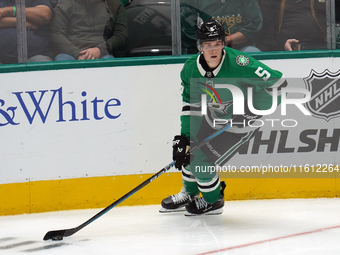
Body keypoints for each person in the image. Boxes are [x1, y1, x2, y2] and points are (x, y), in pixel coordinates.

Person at [160, 19, 287, 216]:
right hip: (211, 119)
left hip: (238, 126)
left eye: (217, 43)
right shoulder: (190, 68)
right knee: (189, 151)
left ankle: (213, 200)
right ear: (200, 47)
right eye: (208, 45)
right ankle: (190, 193)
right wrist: (186, 137)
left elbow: (280, 84)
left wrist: (251, 110)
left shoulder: (240, 63)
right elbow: (190, 106)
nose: (213, 50)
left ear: (223, 44)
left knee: (201, 163)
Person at [50, 0, 128, 61]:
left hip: (103, 53)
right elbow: (56, 34)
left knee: (110, 66)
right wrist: (76, 53)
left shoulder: (114, 5)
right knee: (63, 64)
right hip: (70, 53)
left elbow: (121, 36)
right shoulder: (65, 4)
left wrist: (100, 50)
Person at [180, 0, 263, 54]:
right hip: (205, 51)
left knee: (253, 52)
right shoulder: (192, 2)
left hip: (240, 50)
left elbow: (254, 27)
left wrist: (223, 41)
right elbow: (187, 31)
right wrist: (210, 44)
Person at [257, 0, 327, 51]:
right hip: (283, 51)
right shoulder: (269, 2)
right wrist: (283, 43)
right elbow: (266, 29)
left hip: (322, 47)